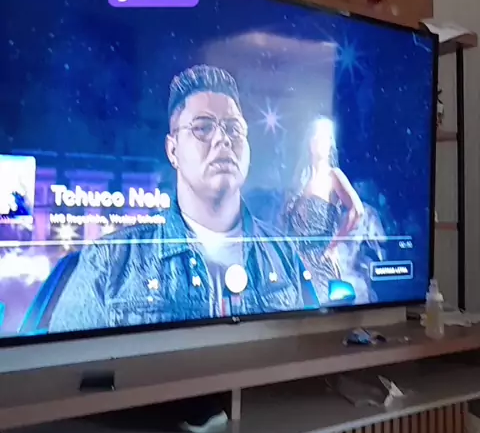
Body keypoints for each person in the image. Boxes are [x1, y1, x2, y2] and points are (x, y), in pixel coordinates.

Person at [48, 65, 318, 333]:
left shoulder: (284, 255)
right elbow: (64, 359)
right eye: (203, 127)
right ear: (173, 150)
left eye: (234, 128)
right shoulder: (110, 261)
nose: (223, 139)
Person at [285, 116, 364, 303]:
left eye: (326, 137)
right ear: (310, 142)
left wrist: (333, 246)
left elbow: (357, 211)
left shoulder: (333, 175)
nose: (322, 141)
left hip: (321, 262)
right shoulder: (300, 179)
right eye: (318, 136)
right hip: (297, 263)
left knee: (322, 309)